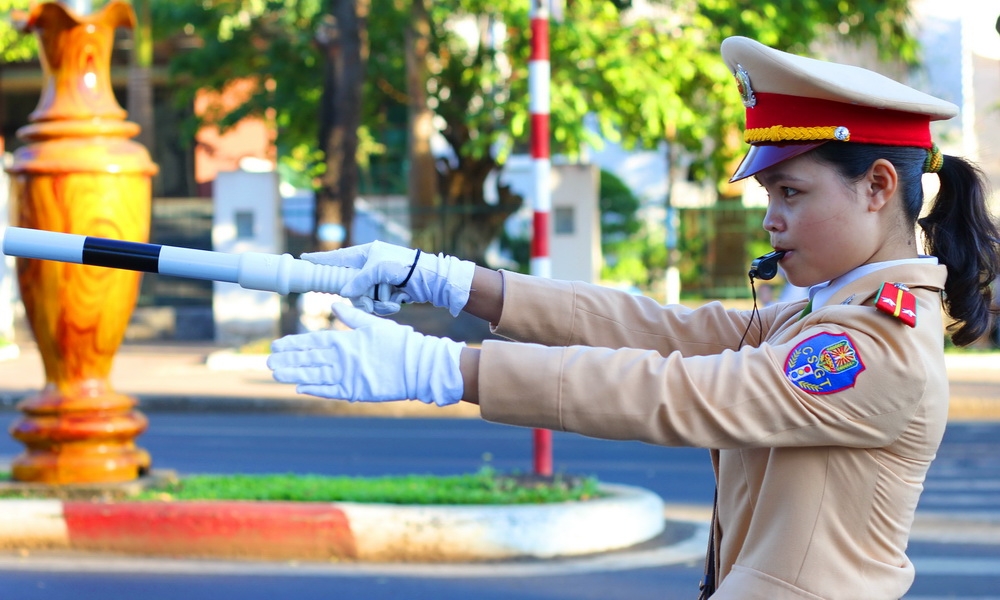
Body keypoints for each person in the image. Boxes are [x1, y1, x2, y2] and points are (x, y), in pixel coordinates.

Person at [267, 36, 1000, 599]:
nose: (772, 221)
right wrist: (452, 283)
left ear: (876, 187)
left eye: (791, 194)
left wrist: (443, 369)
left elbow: (679, 393)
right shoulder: (831, 312)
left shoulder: (874, 343)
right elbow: (658, 331)